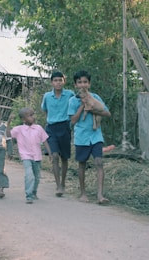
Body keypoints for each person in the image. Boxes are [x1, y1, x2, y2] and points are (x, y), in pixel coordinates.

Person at [68, 70, 111, 204]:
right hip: (81, 136)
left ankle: (100, 195)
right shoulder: (73, 101)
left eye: (85, 82)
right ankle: (83, 193)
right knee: (82, 164)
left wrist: (92, 109)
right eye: (79, 82)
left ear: (89, 84)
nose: (82, 85)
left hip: (96, 135)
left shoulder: (95, 97)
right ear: (75, 85)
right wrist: (82, 106)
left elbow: (107, 113)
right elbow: (73, 121)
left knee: (99, 162)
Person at [7, 108, 52, 204]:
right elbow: (8, 134)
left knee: (36, 177)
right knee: (29, 175)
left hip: (37, 156)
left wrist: (50, 153)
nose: (33, 117)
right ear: (23, 119)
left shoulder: (39, 128)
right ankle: (29, 195)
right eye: (30, 115)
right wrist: (8, 123)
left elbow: (45, 141)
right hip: (26, 156)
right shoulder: (19, 129)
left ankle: (34, 192)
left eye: (33, 114)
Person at [41, 71, 74, 197]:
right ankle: (58, 185)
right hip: (51, 128)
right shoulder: (47, 96)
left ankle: (63, 182)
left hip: (65, 127)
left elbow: (75, 107)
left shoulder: (70, 94)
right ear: (51, 82)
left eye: (60, 80)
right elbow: (45, 110)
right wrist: (49, 122)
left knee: (64, 157)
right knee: (54, 156)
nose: (58, 83)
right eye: (55, 80)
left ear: (64, 81)